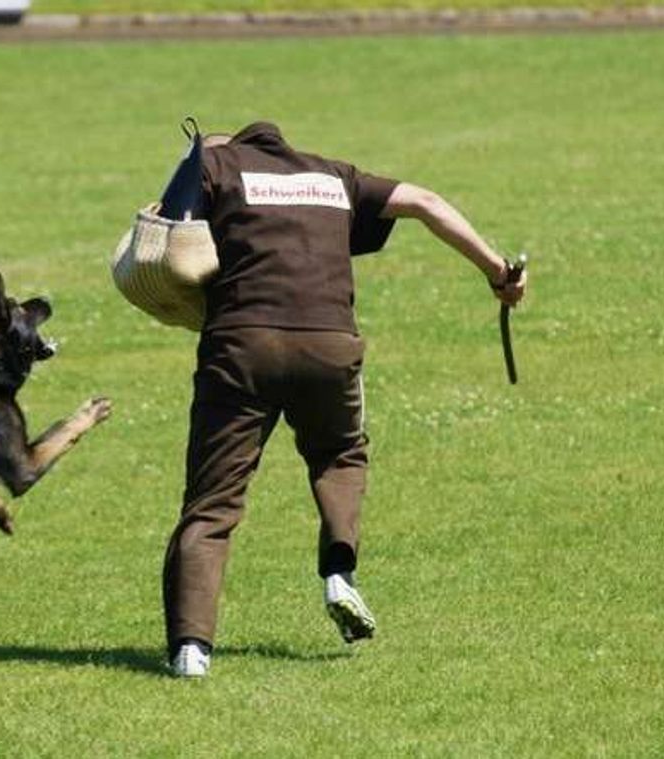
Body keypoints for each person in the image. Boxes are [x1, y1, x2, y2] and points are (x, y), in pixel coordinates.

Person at [162, 121, 527, 677]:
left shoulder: (215, 166)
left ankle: (192, 651)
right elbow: (425, 202)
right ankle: (339, 574)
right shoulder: (333, 175)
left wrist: (196, 161)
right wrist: (498, 271)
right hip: (329, 346)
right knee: (340, 456)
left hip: (242, 345)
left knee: (212, 504)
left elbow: (162, 231)